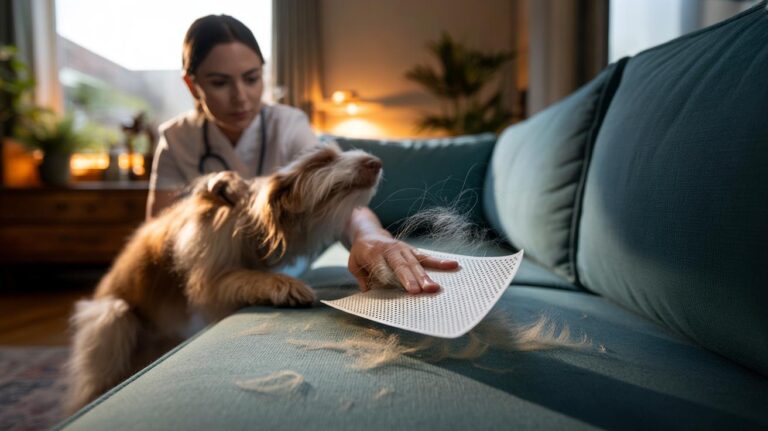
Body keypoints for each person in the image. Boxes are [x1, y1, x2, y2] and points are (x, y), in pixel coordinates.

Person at [146, 14, 457, 294]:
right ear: (191, 84)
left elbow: (339, 198)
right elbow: (158, 230)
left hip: (280, 270)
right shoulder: (176, 139)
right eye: (219, 83)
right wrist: (203, 199)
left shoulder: (288, 124)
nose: (240, 97)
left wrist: (371, 236)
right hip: (210, 274)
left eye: (252, 79)